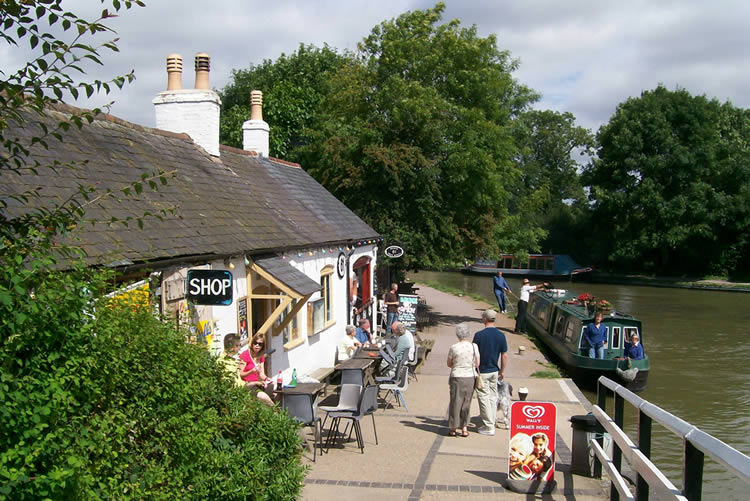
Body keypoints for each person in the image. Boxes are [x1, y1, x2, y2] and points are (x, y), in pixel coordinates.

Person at [472, 309, 508, 436]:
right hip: (494, 370)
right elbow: (504, 355)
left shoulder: (479, 335)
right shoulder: (501, 335)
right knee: (493, 397)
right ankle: (491, 421)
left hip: (483, 371)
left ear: (485, 319)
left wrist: (475, 369)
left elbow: (474, 354)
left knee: (483, 397)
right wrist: (502, 370)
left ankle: (488, 426)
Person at [446, 323, 480, 437]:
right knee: (467, 402)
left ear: (457, 334)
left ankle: (453, 427)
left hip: (457, 376)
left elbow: (449, 363)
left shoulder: (454, 347)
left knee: (456, 402)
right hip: (470, 376)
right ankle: (464, 427)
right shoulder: (474, 346)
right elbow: (477, 363)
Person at [238, 333, 274, 406]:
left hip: (258, 383)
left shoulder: (261, 356)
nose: (257, 345)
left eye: (260, 344)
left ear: (262, 346)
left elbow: (262, 374)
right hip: (248, 384)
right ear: (252, 343)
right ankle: (276, 412)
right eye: (255, 343)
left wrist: (267, 378)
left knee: (275, 390)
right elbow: (240, 374)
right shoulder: (245, 355)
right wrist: (251, 371)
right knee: (265, 397)